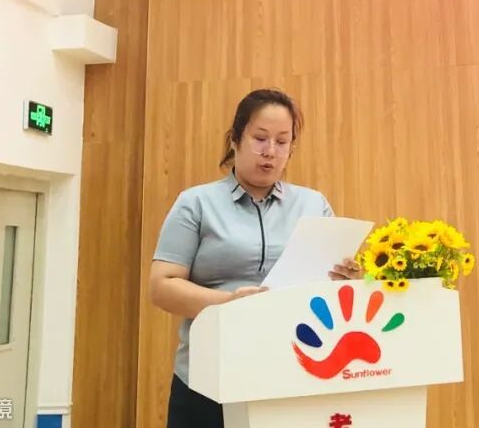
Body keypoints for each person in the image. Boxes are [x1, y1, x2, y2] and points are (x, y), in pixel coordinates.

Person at [150, 88, 363, 428]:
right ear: (236, 139)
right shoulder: (196, 203)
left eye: (282, 141)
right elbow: (161, 287)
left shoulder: (313, 205)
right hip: (209, 377)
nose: (270, 151)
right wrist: (228, 303)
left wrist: (348, 280)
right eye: (260, 138)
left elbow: (331, 294)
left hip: (293, 374)